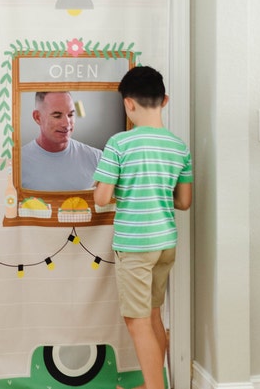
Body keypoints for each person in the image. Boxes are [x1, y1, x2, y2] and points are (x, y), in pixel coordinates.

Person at [93, 66, 193, 389]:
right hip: (165, 243)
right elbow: (184, 201)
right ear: (164, 100)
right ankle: (154, 383)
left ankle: (155, 388)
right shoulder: (179, 147)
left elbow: (102, 197)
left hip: (136, 246)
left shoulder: (120, 144)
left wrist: (108, 187)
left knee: (136, 322)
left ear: (128, 104)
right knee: (152, 317)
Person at [20, 91, 102, 191]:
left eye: (71, 115)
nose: (66, 124)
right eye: (57, 116)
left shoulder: (97, 159)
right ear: (38, 117)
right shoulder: (17, 163)